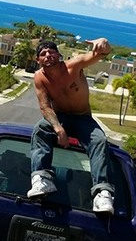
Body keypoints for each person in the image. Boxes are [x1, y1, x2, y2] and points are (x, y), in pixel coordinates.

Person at [27, 38, 115, 214]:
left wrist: (104, 43)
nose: (48, 55)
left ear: (59, 55)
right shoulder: (39, 78)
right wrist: (58, 128)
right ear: (38, 60)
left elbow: (102, 54)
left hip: (83, 118)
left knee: (99, 140)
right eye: (43, 54)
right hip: (60, 118)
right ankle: (42, 179)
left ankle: (102, 193)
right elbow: (45, 107)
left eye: (52, 51)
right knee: (40, 129)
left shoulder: (74, 66)